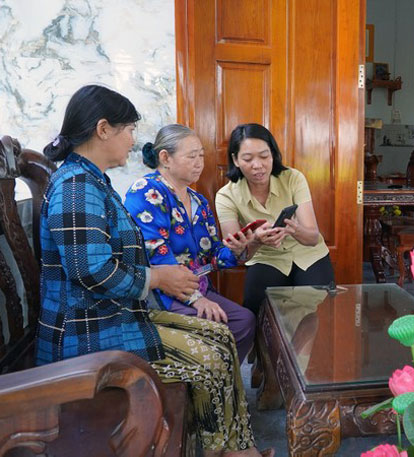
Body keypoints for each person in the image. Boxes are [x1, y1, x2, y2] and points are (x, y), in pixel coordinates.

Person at [35, 85, 270, 457]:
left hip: (114, 317)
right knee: (212, 357)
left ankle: (234, 447)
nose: (133, 142)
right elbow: (91, 271)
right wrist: (158, 277)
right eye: (129, 129)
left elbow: (205, 256)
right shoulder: (77, 187)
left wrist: (244, 247)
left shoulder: (91, 182)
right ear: (103, 129)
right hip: (89, 332)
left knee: (221, 338)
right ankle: (226, 450)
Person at [124, 124, 256, 360]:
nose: (199, 163)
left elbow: (213, 255)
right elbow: (157, 255)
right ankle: (204, 376)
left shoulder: (199, 201)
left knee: (244, 321)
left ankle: (220, 377)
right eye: (192, 156)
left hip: (198, 288)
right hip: (162, 295)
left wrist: (245, 248)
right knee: (218, 331)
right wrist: (197, 300)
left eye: (201, 156)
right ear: (165, 158)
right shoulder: (146, 191)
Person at [215, 123, 334, 315]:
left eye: (264, 156)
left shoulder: (293, 178)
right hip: (266, 257)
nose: (258, 165)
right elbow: (236, 255)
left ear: (273, 154)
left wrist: (293, 230)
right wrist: (256, 241)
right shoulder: (226, 196)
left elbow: (312, 238)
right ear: (235, 160)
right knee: (255, 307)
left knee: (317, 309)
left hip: (308, 253)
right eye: (248, 159)